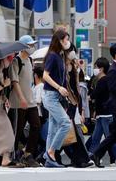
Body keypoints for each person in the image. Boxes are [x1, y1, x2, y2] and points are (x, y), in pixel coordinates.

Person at [41, 29, 73, 168]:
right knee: (65, 123)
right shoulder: (53, 56)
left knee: (52, 130)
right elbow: (45, 76)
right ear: (59, 40)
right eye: (66, 39)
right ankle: (51, 152)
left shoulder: (60, 56)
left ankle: (49, 159)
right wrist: (59, 88)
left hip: (55, 96)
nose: (67, 42)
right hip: (50, 96)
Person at [9, 35, 41, 167]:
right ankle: (12, 156)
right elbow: (14, 81)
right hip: (18, 102)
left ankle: (28, 154)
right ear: (23, 47)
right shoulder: (16, 61)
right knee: (17, 130)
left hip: (31, 101)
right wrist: (21, 98)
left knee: (36, 125)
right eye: (30, 45)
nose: (32, 47)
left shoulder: (30, 60)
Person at [88, 57, 116, 165]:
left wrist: (90, 95)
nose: (94, 70)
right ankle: (92, 157)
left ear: (101, 68)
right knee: (95, 138)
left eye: (96, 67)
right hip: (102, 114)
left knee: (110, 138)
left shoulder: (103, 80)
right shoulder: (107, 80)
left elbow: (94, 95)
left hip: (105, 114)